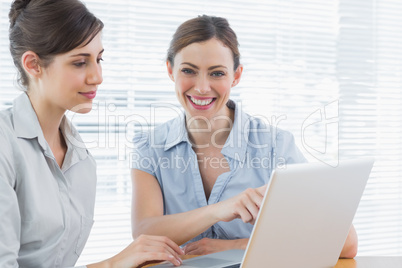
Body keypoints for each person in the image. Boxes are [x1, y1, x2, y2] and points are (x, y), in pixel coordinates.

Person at [130, 15, 358, 258]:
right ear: (170, 70)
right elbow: (144, 233)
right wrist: (220, 210)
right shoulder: (149, 147)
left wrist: (238, 246)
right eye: (189, 71)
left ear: (236, 76)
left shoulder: (275, 146)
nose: (202, 87)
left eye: (217, 73)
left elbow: (346, 242)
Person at [0, 0, 184, 267]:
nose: (97, 76)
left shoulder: (82, 160)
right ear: (33, 64)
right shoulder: (5, 145)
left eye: (99, 59)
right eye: (79, 63)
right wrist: (111, 264)